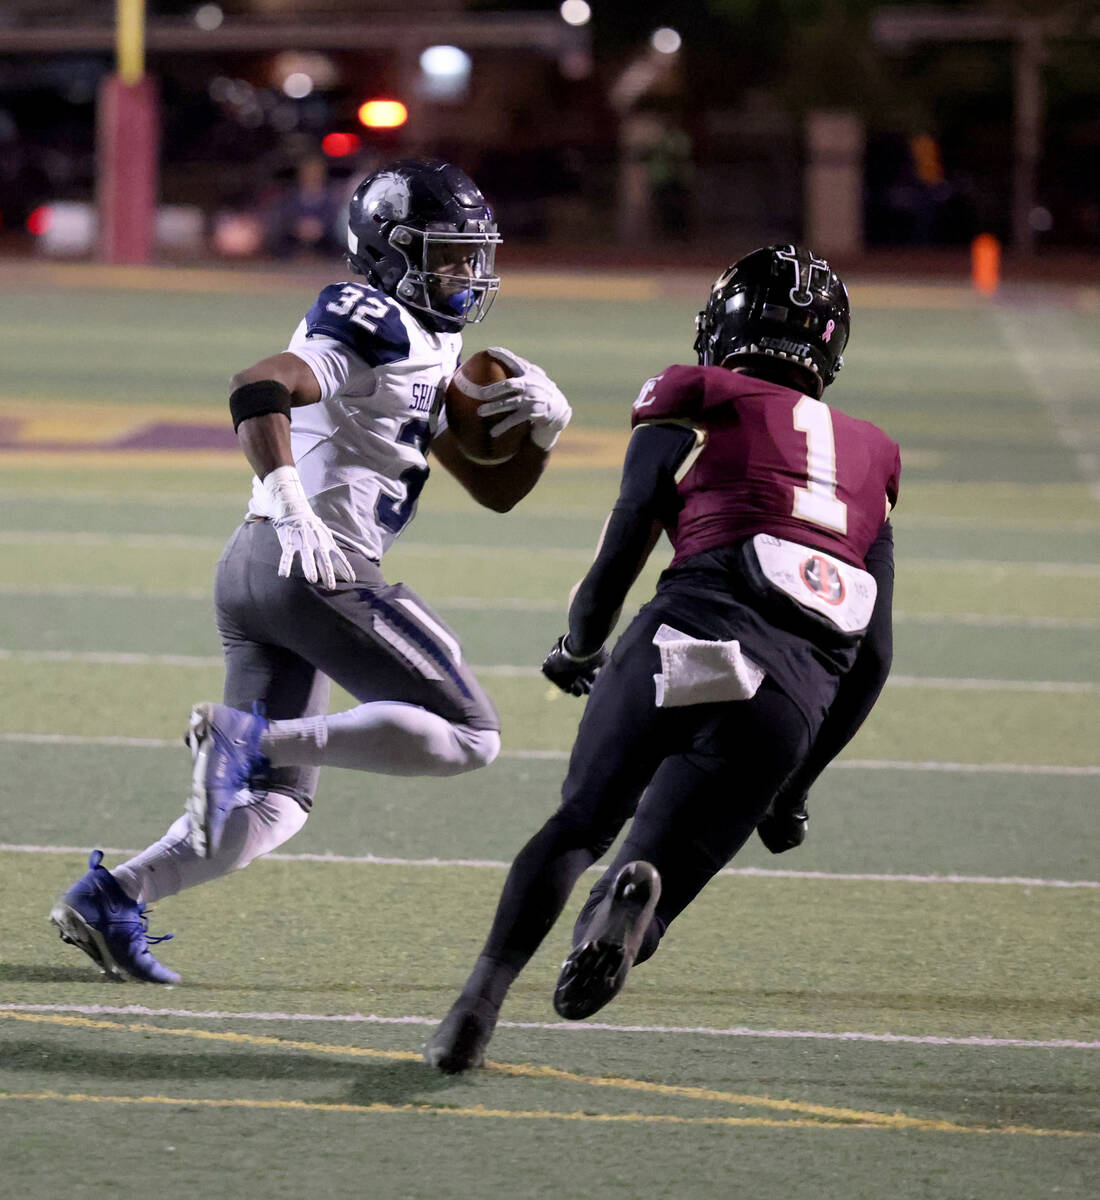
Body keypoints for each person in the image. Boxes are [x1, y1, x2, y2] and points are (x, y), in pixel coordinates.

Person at [49, 158, 571, 985]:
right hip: (310, 562)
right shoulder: (370, 316)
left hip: (260, 569)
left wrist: (545, 431)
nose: (467, 273)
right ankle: (251, 740)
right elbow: (259, 385)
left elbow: (495, 492)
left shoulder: (427, 338)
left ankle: (113, 896)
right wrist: (293, 503)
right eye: (447, 255)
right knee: (473, 736)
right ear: (389, 251)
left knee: (275, 804)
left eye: (472, 255)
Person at [424, 244, 900, 1072]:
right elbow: (876, 655)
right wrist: (795, 788)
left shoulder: (698, 387)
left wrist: (581, 641)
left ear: (726, 325)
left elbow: (637, 514)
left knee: (580, 823)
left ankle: (477, 1003)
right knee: (662, 862)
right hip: (792, 686)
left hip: (693, 627)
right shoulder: (875, 455)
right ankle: (632, 903)